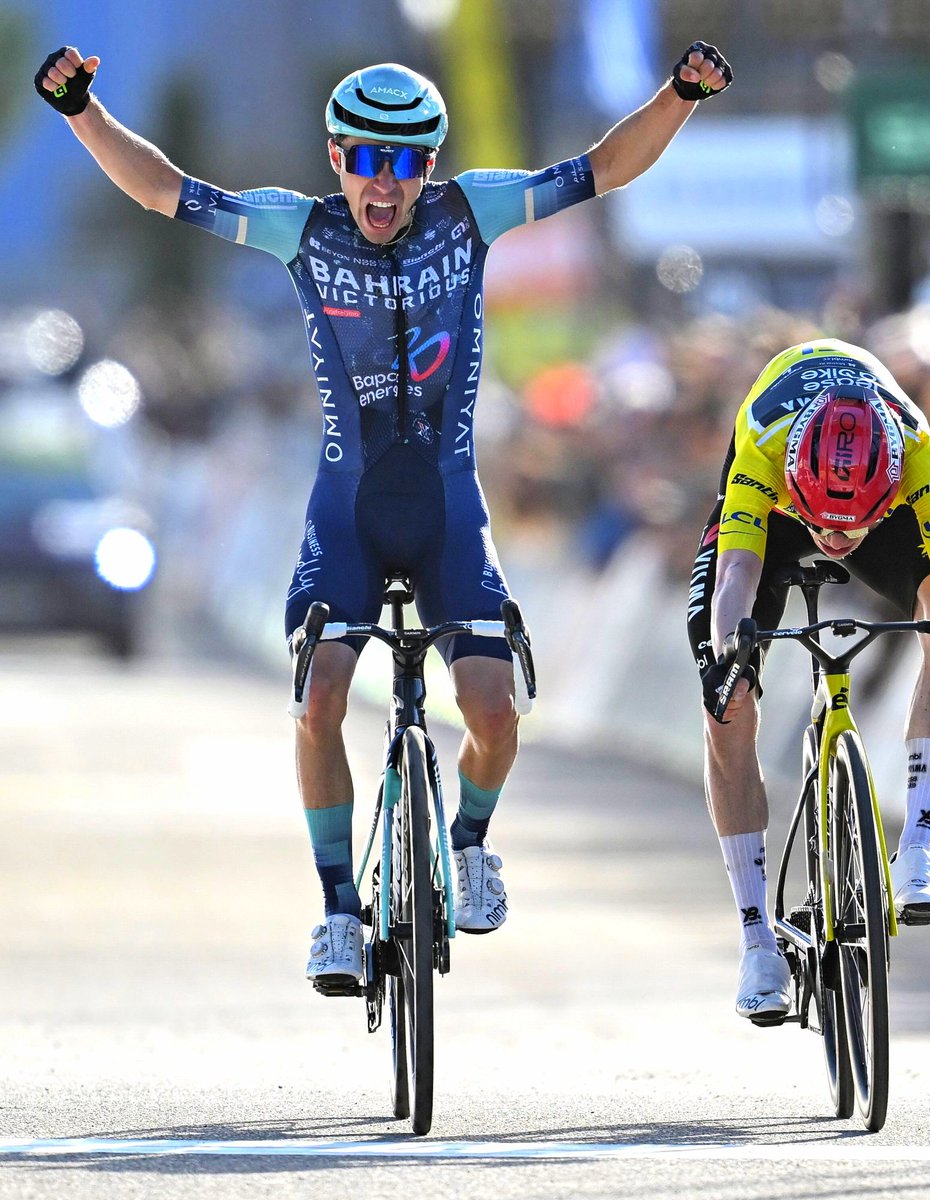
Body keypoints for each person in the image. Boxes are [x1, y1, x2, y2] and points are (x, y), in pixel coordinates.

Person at [36, 41, 733, 991]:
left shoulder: (471, 213)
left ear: (430, 167)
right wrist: (82, 111)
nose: (386, 183)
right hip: (346, 515)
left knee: (492, 709)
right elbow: (166, 191)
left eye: (406, 163)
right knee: (320, 698)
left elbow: (603, 169)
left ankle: (472, 843)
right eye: (367, 158)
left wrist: (680, 94)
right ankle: (335, 911)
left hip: (448, 510)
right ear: (337, 158)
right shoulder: (297, 229)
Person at [686, 338, 930, 1024]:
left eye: (850, 529)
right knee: (726, 701)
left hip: (871, 491)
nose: (837, 539)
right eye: (828, 525)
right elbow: (736, 575)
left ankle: (915, 846)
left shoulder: (910, 443)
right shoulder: (765, 444)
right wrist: (731, 654)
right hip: (774, 518)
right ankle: (757, 940)